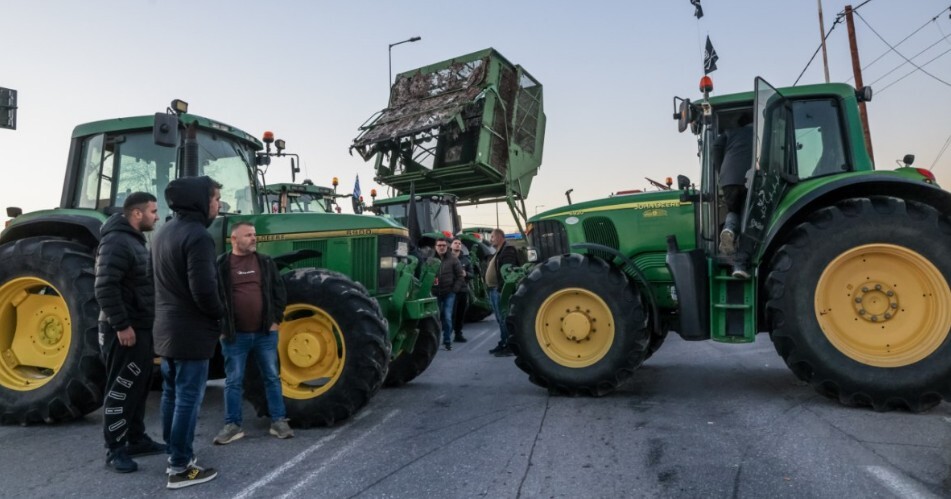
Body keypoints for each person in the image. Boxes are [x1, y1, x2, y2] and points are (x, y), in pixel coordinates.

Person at [152, 176, 223, 489]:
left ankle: (174, 452)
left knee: (172, 394)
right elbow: (204, 290)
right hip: (191, 332)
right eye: (215, 198)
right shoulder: (198, 236)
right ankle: (180, 467)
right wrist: (221, 315)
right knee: (188, 399)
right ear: (200, 200)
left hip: (166, 331)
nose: (219, 204)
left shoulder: (163, 232)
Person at [95, 192, 163, 473]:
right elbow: (105, 286)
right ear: (137, 213)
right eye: (153, 211)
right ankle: (115, 450)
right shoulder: (116, 241)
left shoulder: (133, 240)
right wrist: (122, 325)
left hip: (140, 327)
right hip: (124, 330)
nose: (157, 216)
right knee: (122, 388)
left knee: (139, 385)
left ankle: (136, 439)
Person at [214, 221, 292, 445]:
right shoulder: (221, 265)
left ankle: (278, 421)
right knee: (233, 381)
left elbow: (279, 292)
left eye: (254, 234)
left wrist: (275, 320)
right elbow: (213, 297)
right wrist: (222, 327)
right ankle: (233, 425)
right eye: (248, 235)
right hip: (234, 336)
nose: (254, 238)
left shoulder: (265, 262)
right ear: (234, 239)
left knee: (272, 377)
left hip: (265, 334)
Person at [713, 111, 754, 279]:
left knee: (734, 211)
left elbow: (716, 147)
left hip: (728, 180)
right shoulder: (759, 133)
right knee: (748, 220)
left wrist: (721, 170)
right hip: (749, 179)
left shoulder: (730, 133)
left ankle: (728, 229)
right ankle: (740, 265)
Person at [486, 228, 520, 357]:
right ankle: (504, 342)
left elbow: (508, 272)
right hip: (494, 290)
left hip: (500, 290)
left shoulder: (508, 250)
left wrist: (501, 289)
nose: (490, 240)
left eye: (492, 237)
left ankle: (509, 346)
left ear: (500, 237)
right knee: (500, 319)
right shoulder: (499, 251)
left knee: (504, 318)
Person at [433, 237, 464, 351]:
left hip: (449, 293)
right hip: (434, 293)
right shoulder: (430, 260)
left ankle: (447, 341)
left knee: (447, 316)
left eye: (444, 245)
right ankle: (434, 341)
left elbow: (460, 276)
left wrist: (454, 290)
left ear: (447, 247)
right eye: (439, 245)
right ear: (435, 247)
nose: (441, 247)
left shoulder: (453, 259)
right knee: (435, 317)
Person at [450, 238, 472, 343]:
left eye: (459, 243)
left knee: (460, 314)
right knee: (450, 313)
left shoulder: (466, 260)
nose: (458, 245)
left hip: (462, 291)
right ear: (451, 245)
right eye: (455, 243)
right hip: (450, 291)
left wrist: (466, 274)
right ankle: (447, 335)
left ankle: (458, 334)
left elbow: (472, 274)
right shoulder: (446, 258)